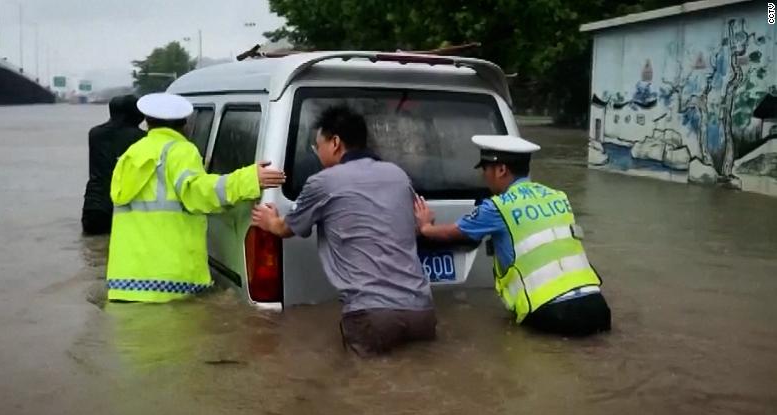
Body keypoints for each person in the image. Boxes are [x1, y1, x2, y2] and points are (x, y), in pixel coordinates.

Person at [252, 105, 436, 357]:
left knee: (361, 389)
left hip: (372, 316)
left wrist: (269, 221)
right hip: (423, 311)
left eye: (318, 146)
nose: (316, 153)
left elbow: (286, 229)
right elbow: (413, 224)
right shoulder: (398, 175)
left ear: (335, 143)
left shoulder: (323, 182)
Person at [414, 135, 611, 336]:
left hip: (554, 312)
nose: (483, 176)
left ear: (501, 170)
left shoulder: (498, 207)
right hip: (597, 305)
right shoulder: (558, 196)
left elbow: (452, 233)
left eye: (485, 169)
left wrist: (426, 227)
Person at [106, 93, 285, 303]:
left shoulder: (131, 154)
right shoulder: (181, 151)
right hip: (168, 283)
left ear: (147, 122)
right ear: (185, 124)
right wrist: (248, 179)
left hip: (124, 283)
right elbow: (199, 194)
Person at [82, 95, 145, 235]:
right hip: (126, 206)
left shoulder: (95, 134)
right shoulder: (142, 138)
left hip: (94, 205)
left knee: (93, 250)